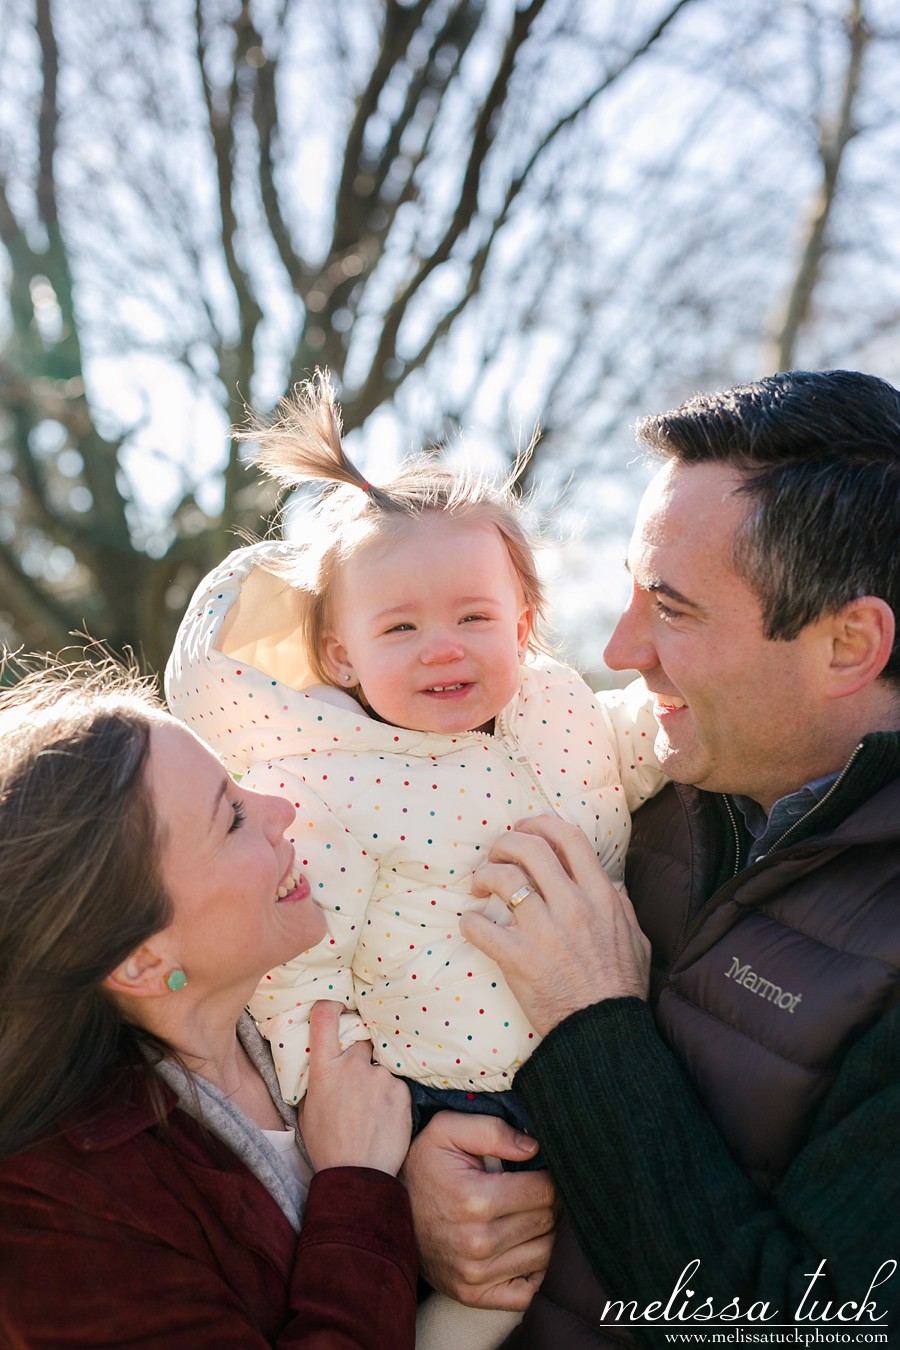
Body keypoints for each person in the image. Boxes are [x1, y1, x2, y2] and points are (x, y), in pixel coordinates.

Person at [403, 369, 900, 1341]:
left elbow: (812, 1329)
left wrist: (591, 1023)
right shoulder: (622, 781)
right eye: (630, 592)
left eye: (671, 608)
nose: (624, 647)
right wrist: (422, 1171)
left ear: (850, 643)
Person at [165, 370, 663, 1136]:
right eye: (400, 629)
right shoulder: (325, 785)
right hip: (450, 1092)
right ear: (342, 657)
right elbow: (301, 974)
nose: (442, 649)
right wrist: (342, 1101)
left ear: (521, 626)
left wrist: (683, 718)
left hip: (616, 1044)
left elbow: (637, 744)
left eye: (473, 616)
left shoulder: (556, 705)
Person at [0, 659, 417, 1348]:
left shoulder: (321, 991)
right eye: (232, 818)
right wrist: (360, 1187)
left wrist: (425, 1193)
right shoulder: (50, 1213)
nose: (283, 811)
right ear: (142, 960)